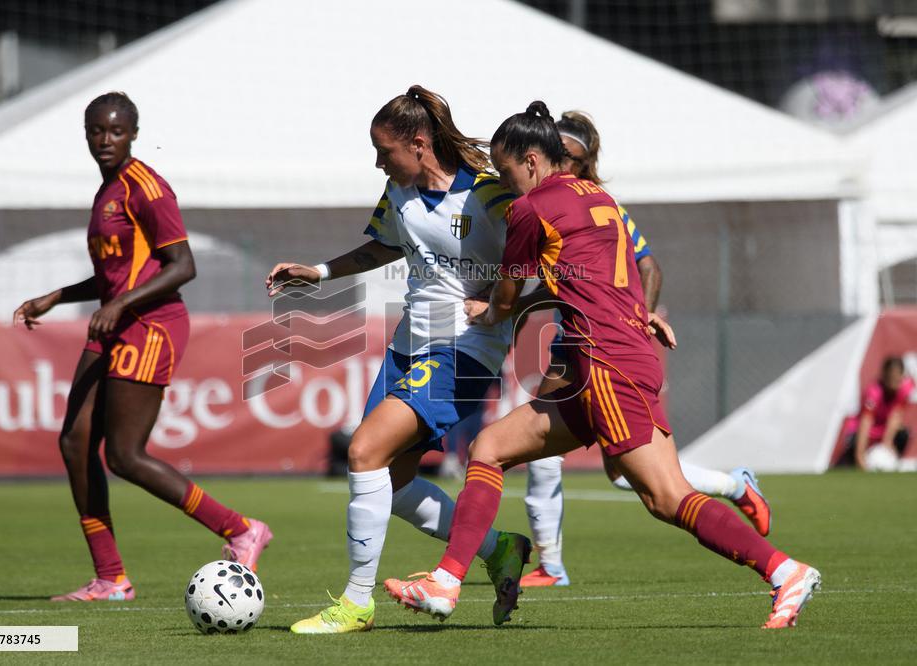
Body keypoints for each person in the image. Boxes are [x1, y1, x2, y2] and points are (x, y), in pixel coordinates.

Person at [385, 102, 820, 630]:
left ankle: (784, 571)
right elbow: (607, 273)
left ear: (530, 159)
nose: (503, 182)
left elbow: (507, 292)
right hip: (604, 356)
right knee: (490, 448)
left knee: (666, 497)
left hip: (606, 361)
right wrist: (639, 315)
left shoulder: (531, 209)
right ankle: (447, 582)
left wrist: (489, 310)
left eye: (504, 171)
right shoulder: (600, 196)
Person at [267, 86, 527, 634]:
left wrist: (503, 304)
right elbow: (382, 245)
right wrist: (319, 272)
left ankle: (356, 603)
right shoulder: (398, 191)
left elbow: (539, 256)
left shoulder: (490, 196)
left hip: (465, 349)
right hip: (409, 347)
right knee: (392, 481)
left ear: (418, 142)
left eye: (384, 151)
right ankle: (499, 549)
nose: (378, 162)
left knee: (363, 452)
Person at [13, 92, 271, 601]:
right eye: (96, 131)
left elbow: (183, 266)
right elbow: (114, 274)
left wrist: (118, 303)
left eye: (115, 131)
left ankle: (241, 529)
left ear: (132, 133)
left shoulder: (147, 188)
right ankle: (111, 578)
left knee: (125, 456)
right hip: (114, 323)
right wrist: (57, 296)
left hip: (150, 326)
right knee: (74, 443)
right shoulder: (106, 190)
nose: (105, 140)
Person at [518, 111, 771, 588]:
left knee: (631, 477)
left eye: (569, 156)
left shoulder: (604, 207)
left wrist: (642, 313)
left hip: (609, 346)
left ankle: (738, 490)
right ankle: (551, 562)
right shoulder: (555, 202)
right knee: (610, 470)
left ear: (586, 161)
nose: (560, 164)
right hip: (577, 342)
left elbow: (650, 266)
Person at [839, 356, 913, 470]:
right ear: (885, 375)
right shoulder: (874, 393)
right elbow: (865, 423)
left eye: (897, 378)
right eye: (891, 377)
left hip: (882, 433)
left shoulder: (904, 390)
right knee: (850, 459)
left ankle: (892, 463)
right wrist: (859, 456)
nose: (894, 382)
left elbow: (895, 417)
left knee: (904, 434)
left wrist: (887, 444)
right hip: (864, 433)